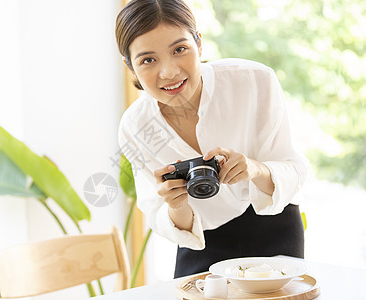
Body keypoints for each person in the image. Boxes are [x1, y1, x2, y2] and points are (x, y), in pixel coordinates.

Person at [115, 0, 310, 278]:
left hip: (273, 226)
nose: (169, 72)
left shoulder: (254, 81)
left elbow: (295, 170)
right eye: (148, 59)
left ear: (199, 44)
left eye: (179, 49)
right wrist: (177, 204)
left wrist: (254, 168)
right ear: (130, 66)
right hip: (201, 241)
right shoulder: (136, 126)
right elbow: (158, 213)